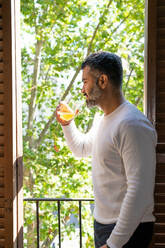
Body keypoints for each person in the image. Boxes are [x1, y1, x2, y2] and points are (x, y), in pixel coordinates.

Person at [56, 51, 157, 248]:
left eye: (85, 82)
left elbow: (140, 191)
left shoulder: (132, 124)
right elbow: (82, 149)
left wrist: (114, 243)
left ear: (102, 81)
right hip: (105, 225)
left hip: (128, 230)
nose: (82, 89)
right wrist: (67, 125)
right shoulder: (103, 119)